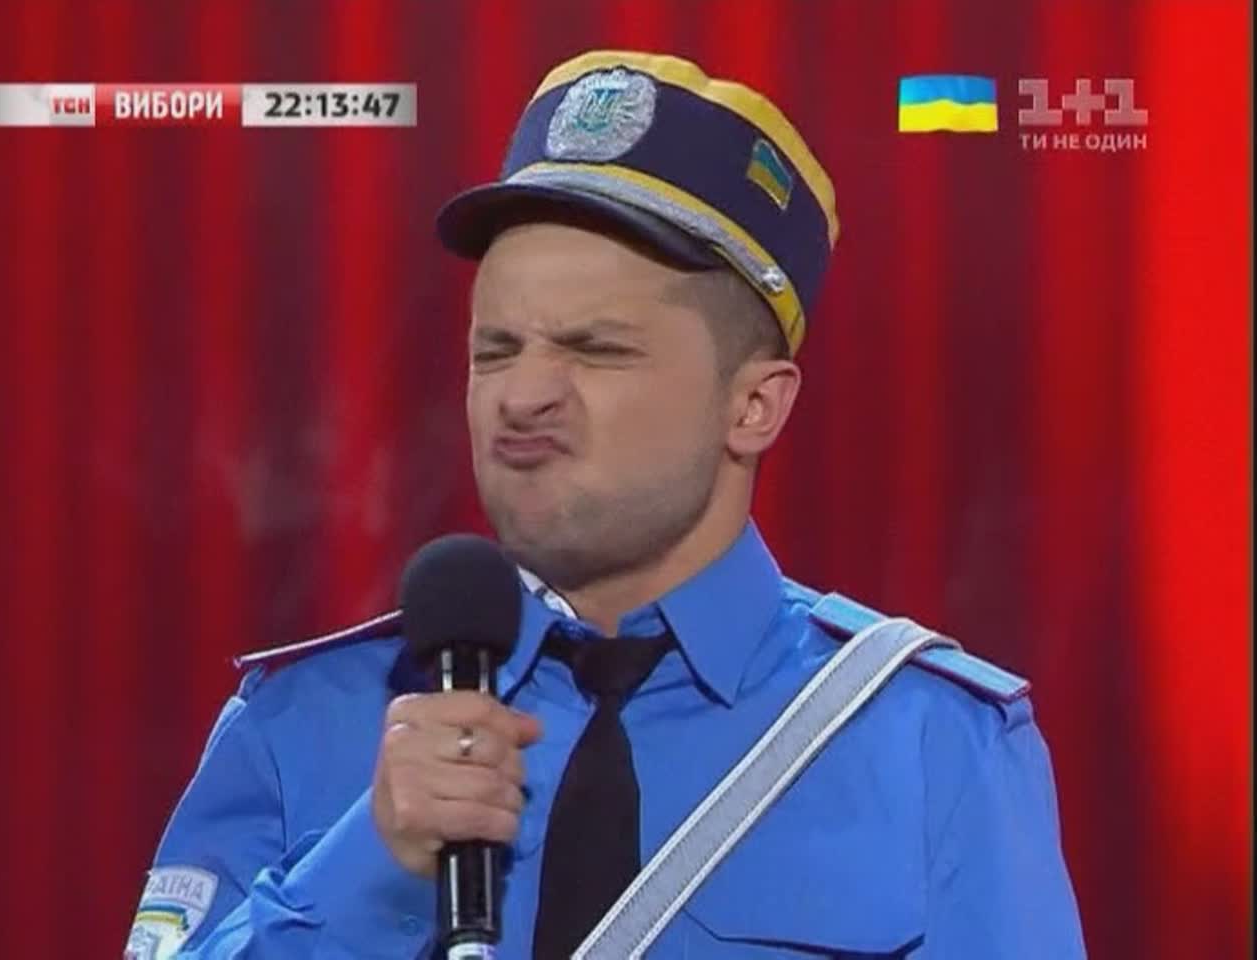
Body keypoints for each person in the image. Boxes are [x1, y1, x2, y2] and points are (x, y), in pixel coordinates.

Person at [125, 50, 1086, 959]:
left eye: (596, 350)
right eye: (496, 350)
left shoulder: (929, 742)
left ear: (753, 406)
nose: (522, 396)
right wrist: (369, 870)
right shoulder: (303, 719)